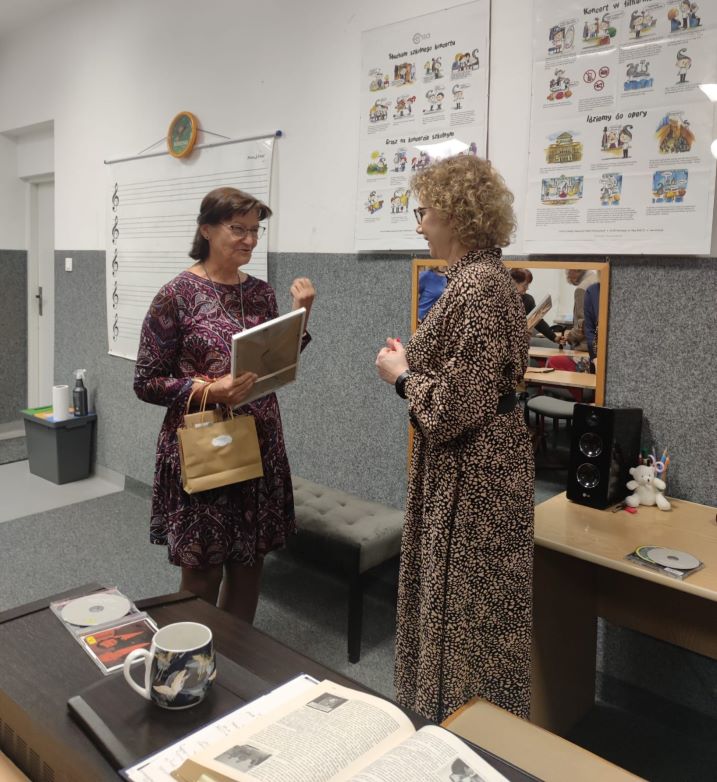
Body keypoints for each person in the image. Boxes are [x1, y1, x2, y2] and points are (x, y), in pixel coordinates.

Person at [375, 155, 534, 723]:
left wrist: (401, 376)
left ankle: (459, 734)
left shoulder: (478, 289)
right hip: (478, 466)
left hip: (473, 475)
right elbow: (471, 380)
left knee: (465, 618)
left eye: (424, 212)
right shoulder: (479, 282)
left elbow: (451, 410)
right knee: (473, 614)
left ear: (456, 215)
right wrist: (415, 360)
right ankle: (458, 724)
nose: (419, 225)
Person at [133, 187, 315, 623]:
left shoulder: (261, 293)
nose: (249, 240)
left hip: (259, 440)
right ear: (206, 230)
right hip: (206, 442)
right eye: (238, 229)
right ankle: (189, 657)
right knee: (202, 569)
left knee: (249, 563)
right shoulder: (176, 295)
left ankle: (237, 656)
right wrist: (210, 390)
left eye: (255, 230)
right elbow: (146, 382)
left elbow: (272, 360)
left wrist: (300, 315)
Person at [509, 267, 557, 341]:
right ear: (514, 283)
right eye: (525, 285)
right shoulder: (502, 301)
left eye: (528, 285)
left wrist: (554, 337)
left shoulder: (528, 299)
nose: (527, 288)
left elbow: (538, 321)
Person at [557, 268, 599, 351]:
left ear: (575, 270)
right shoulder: (597, 279)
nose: (567, 276)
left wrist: (570, 337)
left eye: (567, 272)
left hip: (586, 346)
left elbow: (583, 323)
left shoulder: (582, 289)